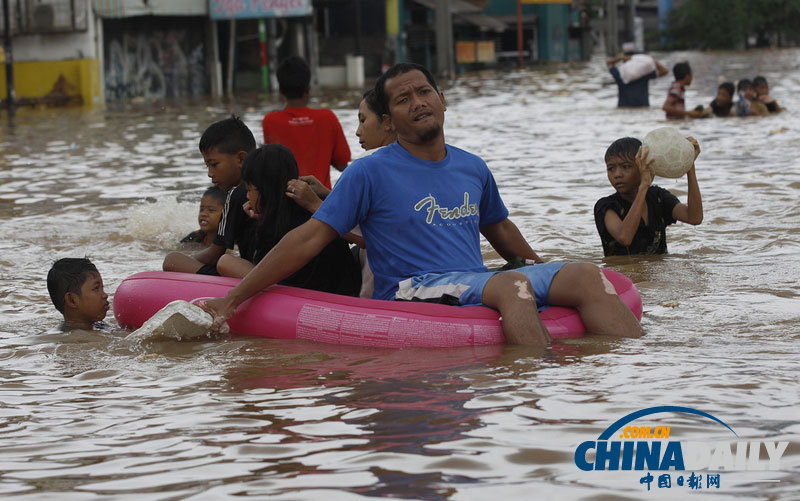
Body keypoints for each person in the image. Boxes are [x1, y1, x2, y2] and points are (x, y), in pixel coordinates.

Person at [200, 63, 644, 348]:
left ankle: (643, 374)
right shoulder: (368, 172)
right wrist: (235, 298)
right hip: (413, 287)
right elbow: (308, 238)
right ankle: (532, 393)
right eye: (403, 99)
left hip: (471, 280)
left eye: (425, 92)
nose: (419, 102)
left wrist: (541, 269)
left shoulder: (472, 167)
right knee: (512, 288)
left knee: (586, 273)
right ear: (390, 120)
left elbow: (501, 228)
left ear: (442, 100)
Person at [286, 88, 397, 298]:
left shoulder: (366, 165)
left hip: (384, 292)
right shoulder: (415, 158)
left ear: (387, 122)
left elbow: (367, 238)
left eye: (363, 121)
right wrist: (328, 195)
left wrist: (313, 204)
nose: (357, 131)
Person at [215, 144, 361, 297]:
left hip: (303, 297)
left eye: (250, 189)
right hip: (345, 290)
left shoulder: (276, 226)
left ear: (264, 191)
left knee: (226, 262)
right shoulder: (319, 210)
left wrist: (263, 222)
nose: (247, 196)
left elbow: (268, 267)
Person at [162, 116, 257, 275]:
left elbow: (215, 254)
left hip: (255, 275)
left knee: (172, 259)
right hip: (273, 271)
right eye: (207, 165)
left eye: (214, 164)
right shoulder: (266, 184)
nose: (210, 174)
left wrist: (188, 261)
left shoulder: (237, 194)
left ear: (241, 158)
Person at [594, 137, 703, 256]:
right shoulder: (606, 206)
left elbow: (694, 218)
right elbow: (624, 237)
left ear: (643, 166)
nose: (617, 175)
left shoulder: (658, 197)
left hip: (656, 272)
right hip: (622, 273)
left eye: (625, 167)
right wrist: (644, 186)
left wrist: (690, 166)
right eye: (611, 169)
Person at [262, 56, 351, 190]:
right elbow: (342, 165)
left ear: (281, 91)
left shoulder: (270, 121)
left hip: (285, 202)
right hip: (320, 203)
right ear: (308, 88)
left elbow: (270, 168)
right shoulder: (327, 118)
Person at [47, 257, 109, 331]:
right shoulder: (71, 339)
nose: (105, 295)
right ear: (72, 300)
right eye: (96, 288)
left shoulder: (100, 326)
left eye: (102, 287)